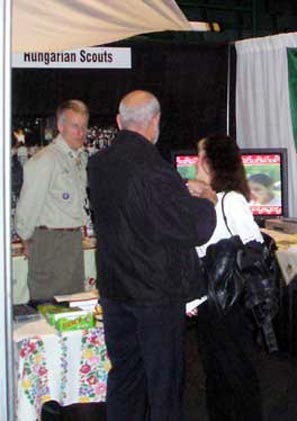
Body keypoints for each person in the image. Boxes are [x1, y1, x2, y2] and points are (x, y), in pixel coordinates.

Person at [87, 90, 216, 421]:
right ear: (155, 121)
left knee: (125, 377)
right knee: (164, 385)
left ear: (119, 122)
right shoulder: (154, 170)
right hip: (154, 294)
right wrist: (205, 201)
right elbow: (193, 228)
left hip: (115, 288)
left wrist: (177, 193)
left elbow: (138, 214)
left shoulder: (98, 164)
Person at [187, 134, 264, 421]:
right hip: (210, 303)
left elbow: (253, 248)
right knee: (217, 377)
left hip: (229, 304)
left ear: (210, 162)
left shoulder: (230, 201)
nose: (195, 162)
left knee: (236, 376)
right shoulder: (205, 201)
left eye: (199, 155)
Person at [15, 100, 89, 301]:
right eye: (75, 126)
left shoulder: (78, 158)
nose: (80, 132)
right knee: (49, 307)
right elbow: (28, 206)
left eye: (84, 126)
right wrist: (25, 237)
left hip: (72, 242)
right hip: (50, 243)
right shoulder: (46, 160)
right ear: (60, 126)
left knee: (75, 307)